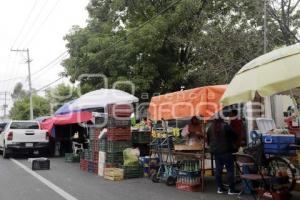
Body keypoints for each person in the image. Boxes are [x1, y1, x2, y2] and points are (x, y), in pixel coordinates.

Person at [207, 116, 239, 195]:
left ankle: (220, 188)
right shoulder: (225, 126)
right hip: (226, 151)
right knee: (230, 170)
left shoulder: (210, 127)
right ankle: (231, 189)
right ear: (222, 119)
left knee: (218, 170)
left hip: (216, 152)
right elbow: (235, 135)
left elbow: (208, 140)